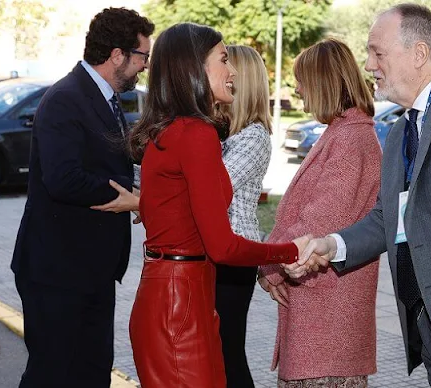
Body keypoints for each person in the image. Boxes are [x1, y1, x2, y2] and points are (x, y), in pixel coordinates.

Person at [287, 4, 431, 387]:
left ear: (418, 53)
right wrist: (330, 245)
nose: (368, 65)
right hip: (429, 327)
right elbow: (388, 217)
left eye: (377, 53)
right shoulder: (401, 130)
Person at [127, 23, 306, 388]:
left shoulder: (171, 130)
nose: (233, 71)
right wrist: (290, 251)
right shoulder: (195, 134)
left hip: (176, 294)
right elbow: (222, 246)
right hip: (181, 302)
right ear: (195, 68)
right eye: (224, 60)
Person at [10, 8, 153, 388]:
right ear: (118, 54)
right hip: (58, 273)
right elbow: (62, 179)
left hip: (90, 271)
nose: (144, 67)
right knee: (52, 375)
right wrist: (128, 196)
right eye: (143, 57)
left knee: (90, 374)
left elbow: (110, 164)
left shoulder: (102, 97)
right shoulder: (65, 98)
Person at [258, 38, 381, 388]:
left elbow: (316, 222)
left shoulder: (351, 139)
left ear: (323, 81)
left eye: (302, 79)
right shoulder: (342, 132)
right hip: (322, 316)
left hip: (329, 326)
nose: (296, 88)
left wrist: (268, 266)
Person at [214, 45, 273, 388]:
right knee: (219, 352)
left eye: (227, 68)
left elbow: (212, 187)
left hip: (234, 260)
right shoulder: (230, 134)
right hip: (223, 256)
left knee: (228, 354)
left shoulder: (253, 137)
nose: (224, 75)